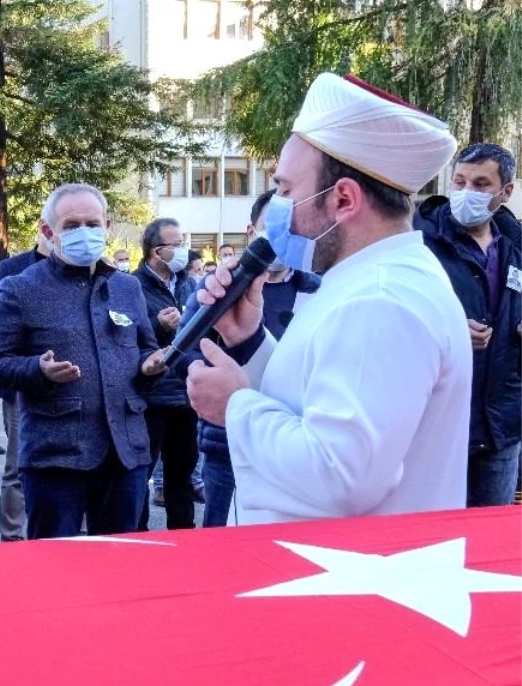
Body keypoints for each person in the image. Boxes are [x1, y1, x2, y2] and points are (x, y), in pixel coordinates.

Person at [187, 72, 468, 524]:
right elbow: (315, 401)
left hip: (358, 580)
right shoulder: (367, 280)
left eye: (285, 190)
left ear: (342, 199)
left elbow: (340, 477)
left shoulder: (380, 300)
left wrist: (236, 408)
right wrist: (250, 342)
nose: (277, 209)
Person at [0, 183, 167, 539]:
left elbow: (145, 348)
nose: (85, 232)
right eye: (71, 225)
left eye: (93, 223)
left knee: (121, 567)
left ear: (107, 227)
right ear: (49, 232)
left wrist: (149, 366)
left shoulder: (128, 288)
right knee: (56, 573)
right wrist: (38, 370)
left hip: (125, 452)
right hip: (55, 458)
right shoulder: (21, 288)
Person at [178, 190, 321, 527]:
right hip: (227, 442)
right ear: (251, 231)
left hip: (296, 442)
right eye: (273, 226)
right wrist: (217, 375)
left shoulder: (320, 291)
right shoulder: (220, 288)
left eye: (293, 227)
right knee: (223, 548)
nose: (282, 237)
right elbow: (187, 351)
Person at [414, 143, 522, 508]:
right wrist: (448, 330)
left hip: (500, 427)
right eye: (459, 181)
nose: (465, 193)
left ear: (505, 191)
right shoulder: (419, 241)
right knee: (431, 540)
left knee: (488, 548)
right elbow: (393, 312)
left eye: (480, 184)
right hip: (435, 426)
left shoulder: (516, 245)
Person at [135, 218, 199, 530]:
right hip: (150, 400)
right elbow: (123, 334)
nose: (184, 250)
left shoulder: (190, 285)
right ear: (157, 251)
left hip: (186, 397)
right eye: (177, 244)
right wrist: (158, 325)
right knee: (139, 478)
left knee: (181, 479)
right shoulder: (132, 285)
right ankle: (138, 543)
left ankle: (184, 544)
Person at [0, 228, 53, 541]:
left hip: (74, 384)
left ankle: (74, 535)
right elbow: (0, 336)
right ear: (45, 228)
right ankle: (12, 538)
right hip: (23, 383)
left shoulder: (94, 269)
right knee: (17, 466)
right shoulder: (13, 269)